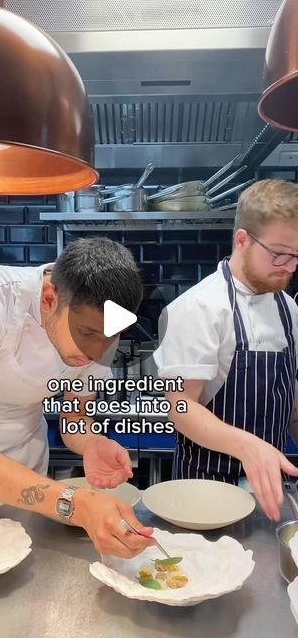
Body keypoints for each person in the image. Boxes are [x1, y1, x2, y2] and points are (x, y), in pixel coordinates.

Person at [0, 237, 154, 557]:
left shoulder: (98, 333)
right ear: (50, 298)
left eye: (110, 339)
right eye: (87, 334)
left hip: (30, 479)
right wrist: (76, 505)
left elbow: (76, 420)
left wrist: (92, 444)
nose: (96, 354)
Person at [154, 179, 298, 522]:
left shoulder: (288, 309)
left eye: (297, 256)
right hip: (205, 490)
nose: (290, 268)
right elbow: (180, 407)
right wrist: (249, 447)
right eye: (279, 253)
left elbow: (290, 397)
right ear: (242, 239)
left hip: (267, 488)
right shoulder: (197, 308)